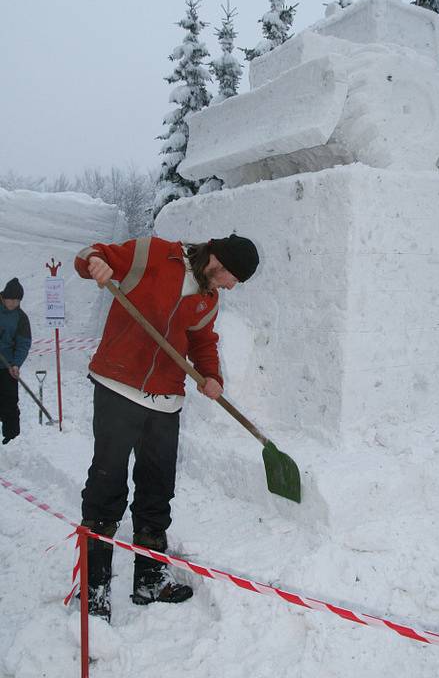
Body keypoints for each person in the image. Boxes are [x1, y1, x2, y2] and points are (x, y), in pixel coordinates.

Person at [75, 234, 259, 621]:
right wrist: (95, 263)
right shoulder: (153, 253)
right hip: (118, 387)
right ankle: (94, 590)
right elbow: (90, 255)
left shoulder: (208, 299)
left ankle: (149, 580)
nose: (231, 286)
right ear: (217, 261)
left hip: (165, 400)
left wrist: (210, 375)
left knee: (157, 489)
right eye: (232, 278)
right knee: (106, 486)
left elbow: (202, 340)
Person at [0, 278, 32, 445]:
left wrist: (16, 364)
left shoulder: (21, 318)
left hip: (7, 365)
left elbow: (23, 343)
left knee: (10, 401)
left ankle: (12, 438)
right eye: (11, 299)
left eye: (17, 300)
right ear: (4, 297)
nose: (13, 303)